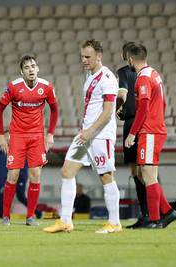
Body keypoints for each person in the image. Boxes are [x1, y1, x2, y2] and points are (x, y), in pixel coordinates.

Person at [43, 39, 122, 234]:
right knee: (67, 171)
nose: (84, 60)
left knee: (105, 176)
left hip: (99, 135)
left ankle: (114, 223)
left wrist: (90, 131)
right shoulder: (90, 76)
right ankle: (65, 221)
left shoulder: (108, 78)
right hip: (86, 135)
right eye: (82, 57)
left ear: (99, 56)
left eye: (88, 57)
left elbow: (108, 111)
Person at [0, 55, 59, 226]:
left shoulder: (46, 87)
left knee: (35, 175)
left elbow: (54, 110)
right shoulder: (14, 87)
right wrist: (1, 135)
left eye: (33, 66)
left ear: (37, 68)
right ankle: (6, 216)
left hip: (37, 136)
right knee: (13, 175)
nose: (31, 70)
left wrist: (50, 134)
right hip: (17, 136)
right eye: (27, 67)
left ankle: (30, 217)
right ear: (21, 72)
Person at [124, 43, 176, 228]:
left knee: (148, 176)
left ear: (131, 59)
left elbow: (144, 108)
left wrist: (132, 133)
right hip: (155, 128)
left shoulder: (143, 79)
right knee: (144, 173)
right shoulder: (153, 73)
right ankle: (168, 212)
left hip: (150, 131)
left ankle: (154, 220)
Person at [116, 41, 150, 229]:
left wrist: (118, 109)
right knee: (145, 170)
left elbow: (121, 95)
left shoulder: (123, 72)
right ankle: (153, 211)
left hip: (132, 124)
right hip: (146, 122)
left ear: (127, 56)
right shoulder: (147, 72)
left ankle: (147, 213)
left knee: (137, 172)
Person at [0, 139, 42, 218]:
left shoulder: (15, 150)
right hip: (1, 180)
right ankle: (4, 216)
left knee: (19, 196)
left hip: (15, 178)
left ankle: (35, 212)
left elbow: (22, 165)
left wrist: (22, 177)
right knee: (1, 198)